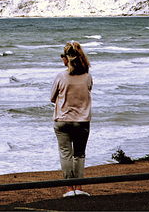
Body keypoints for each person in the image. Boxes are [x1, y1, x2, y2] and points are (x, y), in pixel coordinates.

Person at [50, 40, 93, 197]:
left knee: (65, 154)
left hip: (62, 120)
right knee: (79, 154)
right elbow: (88, 90)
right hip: (82, 120)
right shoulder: (87, 76)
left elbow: (52, 98)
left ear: (67, 59)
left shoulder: (61, 76)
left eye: (62, 56)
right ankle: (79, 187)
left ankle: (69, 189)